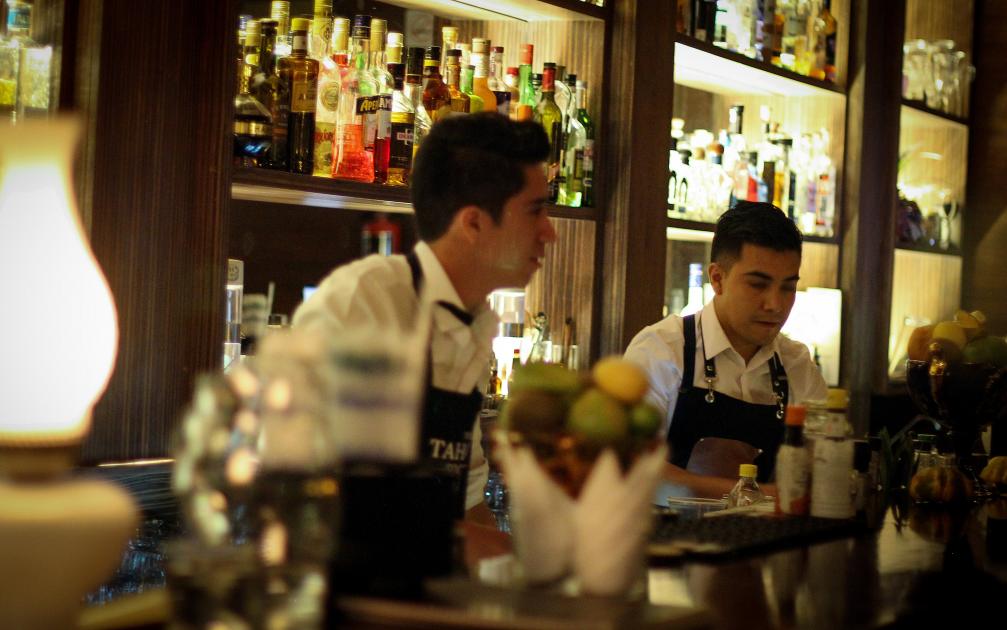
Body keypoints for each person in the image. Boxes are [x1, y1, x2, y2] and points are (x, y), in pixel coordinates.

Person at [293, 112, 555, 556]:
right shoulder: (368, 303)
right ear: (472, 223)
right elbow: (315, 498)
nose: (551, 233)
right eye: (535, 211)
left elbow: (466, 507)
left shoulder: (475, 324)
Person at [624, 202, 827, 498]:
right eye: (758, 284)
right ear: (717, 278)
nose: (775, 304)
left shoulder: (796, 365)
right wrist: (762, 494)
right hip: (667, 539)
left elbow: (820, 468)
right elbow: (635, 468)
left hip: (762, 540)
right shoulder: (661, 350)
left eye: (788, 287)